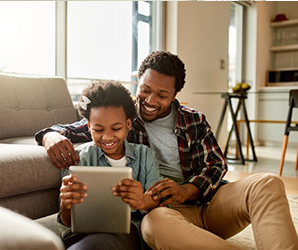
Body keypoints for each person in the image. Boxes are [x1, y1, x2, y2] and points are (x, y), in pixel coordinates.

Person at [36, 51, 298, 250]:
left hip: (208, 205)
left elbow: (216, 166)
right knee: (154, 224)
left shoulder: (193, 120)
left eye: (162, 95)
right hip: (163, 213)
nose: (150, 101)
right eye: (146, 90)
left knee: (267, 182)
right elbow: (87, 128)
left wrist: (186, 190)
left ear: (175, 94)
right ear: (139, 80)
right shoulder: (125, 117)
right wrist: (50, 136)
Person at [57, 80, 162, 250]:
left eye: (116, 128)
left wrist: (142, 200)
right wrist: (65, 205)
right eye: (98, 130)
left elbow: (159, 200)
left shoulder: (145, 155)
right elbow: (67, 223)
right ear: (89, 126)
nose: (107, 137)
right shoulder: (79, 159)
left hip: (126, 233)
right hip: (84, 234)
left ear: (128, 124)